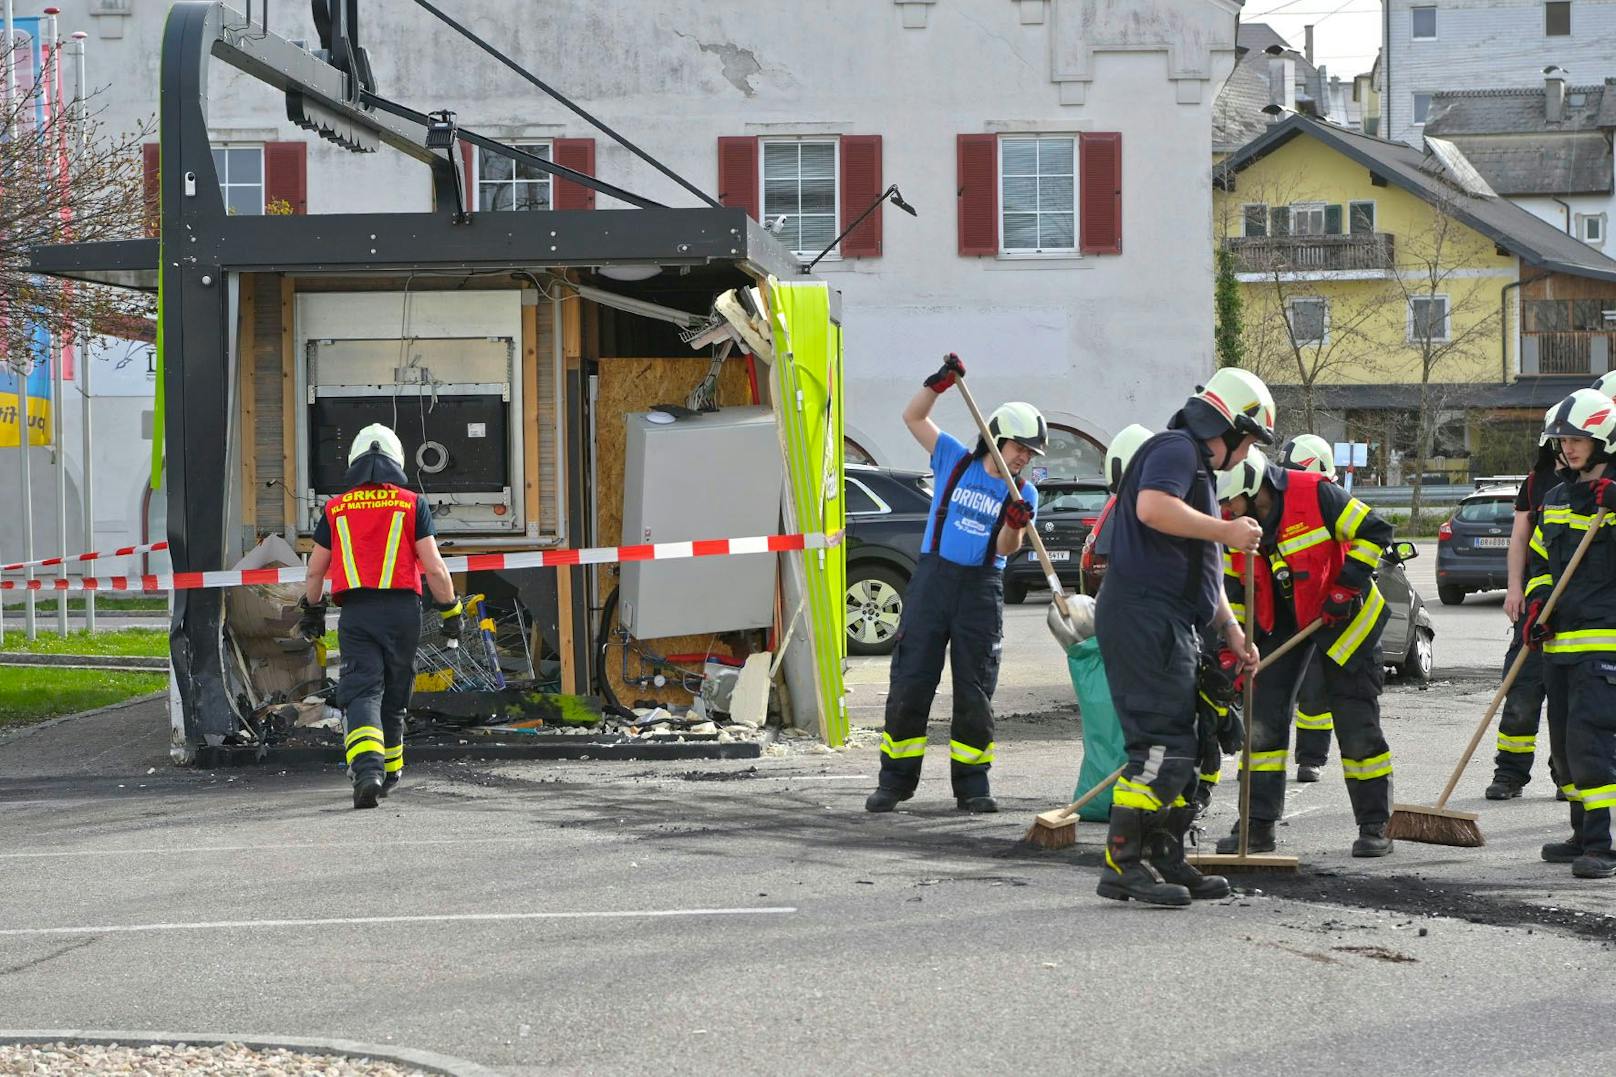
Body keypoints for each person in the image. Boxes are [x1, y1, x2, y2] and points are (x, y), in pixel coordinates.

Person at [1093, 367, 1271, 907]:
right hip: (1144, 618)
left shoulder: (1194, 470)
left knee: (1191, 748)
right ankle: (1124, 862)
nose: (1246, 458)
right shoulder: (1175, 449)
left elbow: (1202, 569)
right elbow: (1151, 508)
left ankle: (1164, 855)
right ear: (1232, 426)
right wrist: (1227, 530)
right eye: (1249, 443)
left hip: (1173, 622)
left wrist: (1233, 630)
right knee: (1159, 745)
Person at [865, 354, 1043, 815]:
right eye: (1018, 446)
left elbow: (1006, 549)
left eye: (1030, 453)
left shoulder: (1025, 493)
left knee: (975, 690)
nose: (1023, 457)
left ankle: (973, 787)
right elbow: (913, 416)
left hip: (981, 592)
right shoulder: (952, 458)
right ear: (996, 438)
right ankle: (894, 783)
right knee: (910, 682)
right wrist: (938, 384)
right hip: (933, 583)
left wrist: (1015, 521)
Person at [1213, 444, 1397, 857]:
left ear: (1253, 485)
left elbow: (1376, 531)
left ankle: (1374, 825)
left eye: (1231, 498)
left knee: (1356, 723)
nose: (1225, 508)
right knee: (1262, 723)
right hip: (1277, 625)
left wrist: (1346, 585)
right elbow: (1234, 588)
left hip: (1345, 619)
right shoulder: (1231, 523)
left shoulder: (1315, 493)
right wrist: (1235, 646)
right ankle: (1257, 825)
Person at [300, 423, 464, 809]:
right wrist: (451, 611)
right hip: (403, 612)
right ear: (397, 461)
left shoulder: (336, 508)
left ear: (355, 461)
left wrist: (312, 610)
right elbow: (436, 568)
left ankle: (368, 770)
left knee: (362, 691)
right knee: (394, 693)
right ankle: (390, 773)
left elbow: (314, 571)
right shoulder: (411, 503)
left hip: (357, 613)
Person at [1521, 389, 1616, 878]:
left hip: (1605, 644)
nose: (1570, 447)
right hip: (1560, 644)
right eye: (1564, 439)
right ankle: (1582, 833)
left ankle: (1604, 843)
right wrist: (1537, 601)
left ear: (1603, 440)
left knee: (1591, 741)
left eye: (1580, 438)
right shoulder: (1556, 498)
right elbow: (1541, 559)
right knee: (1562, 747)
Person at [1487, 405, 1563, 800]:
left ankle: (1569, 777)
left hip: (1586, 608)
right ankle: (1510, 774)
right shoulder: (1538, 482)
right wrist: (1515, 588)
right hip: (1537, 603)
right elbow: (1521, 538)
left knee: (1572, 698)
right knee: (1521, 688)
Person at [1277, 433, 1340, 784]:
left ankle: (1311, 758)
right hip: (1285, 611)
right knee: (1275, 691)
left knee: (1316, 693)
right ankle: (1260, 761)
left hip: (1319, 614)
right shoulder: (1276, 503)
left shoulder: (1332, 503)